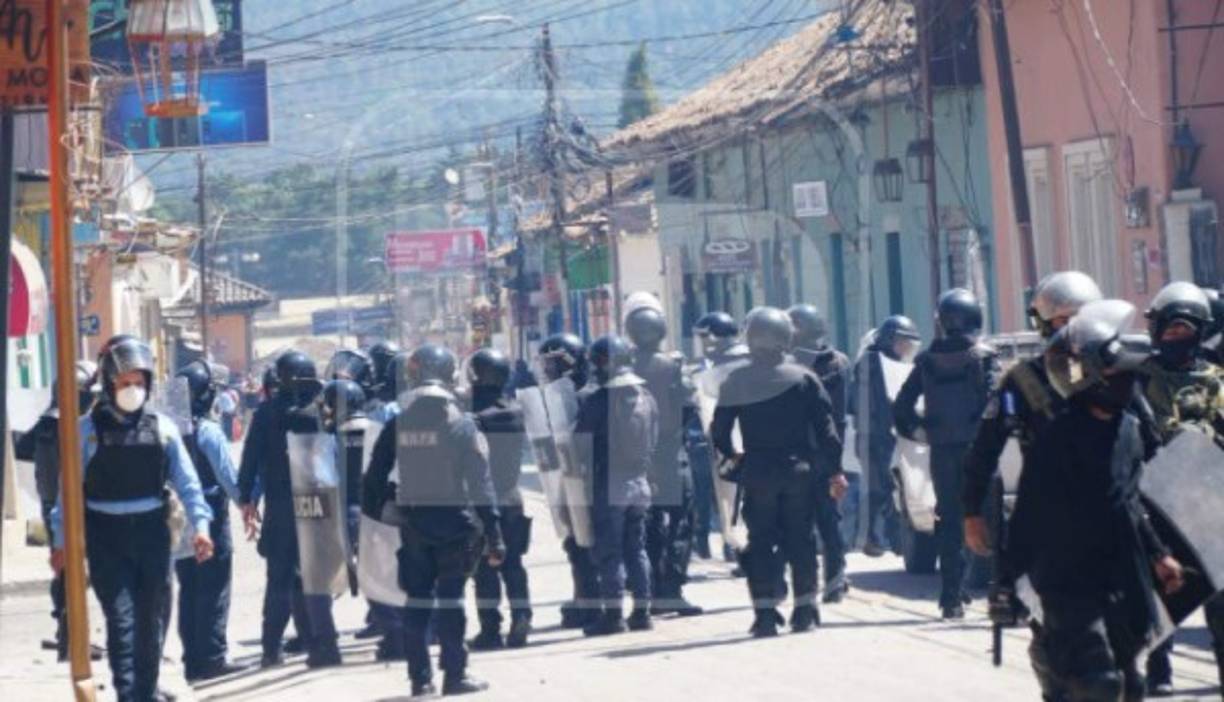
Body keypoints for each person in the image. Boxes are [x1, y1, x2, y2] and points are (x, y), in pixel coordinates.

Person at [1018, 299, 1184, 701]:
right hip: (1070, 576)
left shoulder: (1128, 429)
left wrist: (1158, 553)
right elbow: (1027, 515)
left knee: (1130, 682)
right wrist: (1007, 583)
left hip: (1123, 572)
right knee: (1098, 682)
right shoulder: (1055, 438)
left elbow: (1126, 501)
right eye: (1112, 371)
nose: (1123, 379)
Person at [50, 337, 216, 702]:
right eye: (125, 383)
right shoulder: (86, 431)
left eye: (139, 383)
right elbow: (68, 492)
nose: (133, 390)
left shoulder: (162, 428)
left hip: (152, 536)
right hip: (106, 538)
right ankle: (129, 694)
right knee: (121, 621)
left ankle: (145, 691)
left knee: (152, 621)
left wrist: (201, 528)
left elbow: (189, 485)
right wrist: (61, 541)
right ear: (109, 384)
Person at [363, 344, 504, 697]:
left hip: (413, 526)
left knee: (417, 601)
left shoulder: (398, 423)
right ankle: (454, 675)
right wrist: (495, 533)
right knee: (452, 600)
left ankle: (420, 681)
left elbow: (372, 479)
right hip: (456, 525)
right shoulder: (462, 425)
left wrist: (379, 518)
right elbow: (482, 485)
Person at [710, 308, 846, 637]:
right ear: (787, 337)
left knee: (761, 542)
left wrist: (733, 458)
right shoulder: (804, 378)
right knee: (801, 538)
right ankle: (804, 611)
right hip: (799, 471)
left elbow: (719, 431)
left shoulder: (737, 380)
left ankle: (766, 615)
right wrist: (834, 471)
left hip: (757, 472)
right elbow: (828, 432)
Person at [963, 271, 1102, 568]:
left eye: (1081, 319)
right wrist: (972, 512)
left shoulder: (1112, 373)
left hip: (1105, 504)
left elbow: (1148, 437)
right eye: (1064, 321)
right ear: (1044, 324)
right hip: (1048, 509)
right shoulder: (1023, 381)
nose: (1074, 330)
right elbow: (985, 448)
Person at [1137, 282, 1224, 696]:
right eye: (1170, 332)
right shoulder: (1139, 379)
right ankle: (1159, 669)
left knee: (1219, 597)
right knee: (1159, 591)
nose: (1177, 339)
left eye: (1185, 332)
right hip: (1159, 500)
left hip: (1208, 501)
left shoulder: (1215, 379)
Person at [893, 289, 999, 619]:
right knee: (987, 516)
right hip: (978, 451)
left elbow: (901, 406)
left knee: (949, 518)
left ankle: (952, 596)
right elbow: (996, 402)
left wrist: (921, 431)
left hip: (942, 452)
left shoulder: (926, 360)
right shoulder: (984, 356)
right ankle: (999, 593)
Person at [238, 350, 341, 669]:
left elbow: (250, 459)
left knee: (279, 579)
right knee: (314, 577)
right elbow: (332, 463)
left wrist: (246, 499)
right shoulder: (319, 412)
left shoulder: (266, 413)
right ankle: (320, 645)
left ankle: (271, 650)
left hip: (280, 507)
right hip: (314, 502)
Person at [15, 361, 98, 660]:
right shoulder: (72, 425)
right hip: (72, 508)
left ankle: (69, 635)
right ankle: (71, 638)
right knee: (76, 573)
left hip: (51, 505)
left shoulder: (46, 423)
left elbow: (21, 448)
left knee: (65, 570)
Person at [577, 335, 658, 636]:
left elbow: (579, 446)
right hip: (641, 483)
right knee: (636, 549)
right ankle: (643, 612)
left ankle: (613, 617)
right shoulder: (646, 398)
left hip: (610, 486)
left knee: (610, 552)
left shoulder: (597, 402)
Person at [626, 306, 702, 617]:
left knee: (645, 524)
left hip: (633, 456)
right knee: (680, 523)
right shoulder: (673, 366)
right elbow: (689, 406)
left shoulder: (622, 365)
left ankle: (648, 587)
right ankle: (671, 588)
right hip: (670, 453)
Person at [173, 361, 246, 682]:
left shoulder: (167, 428)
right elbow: (227, 477)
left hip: (177, 518)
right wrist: (245, 502)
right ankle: (213, 656)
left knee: (188, 588)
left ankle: (193, 658)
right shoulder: (208, 430)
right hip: (211, 517)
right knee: (215, 587)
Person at [466, 348, 533, 650]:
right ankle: (522, 614)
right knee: (514, 564)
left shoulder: (475, 417)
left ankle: (491, 628)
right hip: (513, 496)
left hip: (484, 500)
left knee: (485, 567)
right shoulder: (516, 411)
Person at [536, 333, 602, 629]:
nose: (546, 370)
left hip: (587, 480)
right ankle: (585, 599)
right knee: (576, 544)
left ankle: (591, 604)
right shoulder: (561, 395)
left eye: (551, 364)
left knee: (584, 545)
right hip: (570, 478)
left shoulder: (584, 395)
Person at [788, 304, 851, 603]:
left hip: (804, 452)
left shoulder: (791, 364)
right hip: (827, 450)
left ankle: (825, 583)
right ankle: (835, 581)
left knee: (808, 521)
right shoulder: (839, 361)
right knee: (828, 520)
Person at [849, 315, 921, 556]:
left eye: (909, 344)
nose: (905, 348)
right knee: (880, 489)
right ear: (889, 340)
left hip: (892, 435)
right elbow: (867, 404)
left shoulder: (898, 366)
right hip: (873, 437)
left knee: (894, 488)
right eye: (902, 342)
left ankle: (896, 541)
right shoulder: (870, 363)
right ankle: (871, 538)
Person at [689, 312, 748, 561]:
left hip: (740, 437)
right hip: (723, 438)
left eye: (705, 339)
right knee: (726, 495)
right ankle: (731, 545)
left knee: (734, 495)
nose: (702, 345)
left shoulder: (741, 363)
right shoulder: (711, 367)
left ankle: (738, 546)